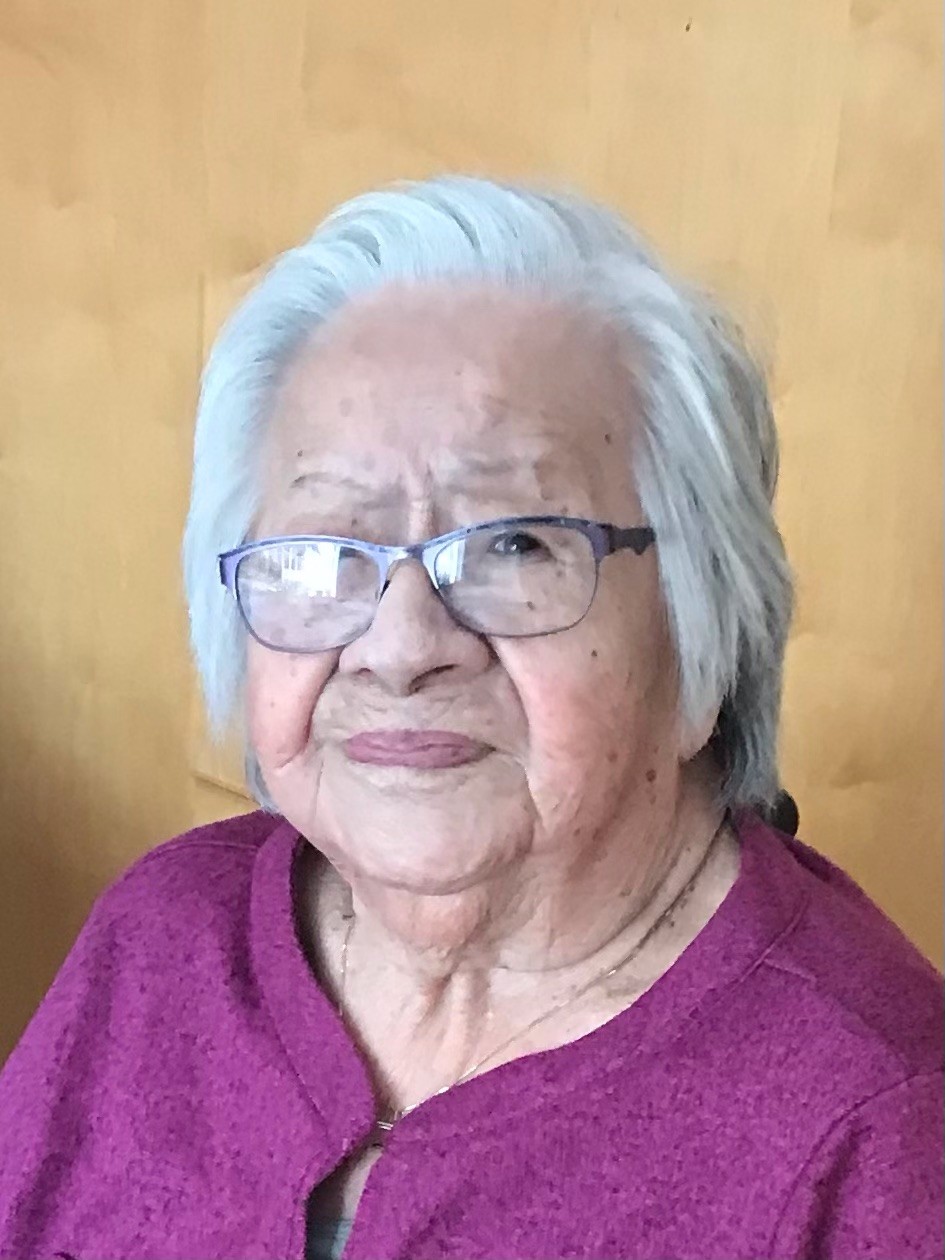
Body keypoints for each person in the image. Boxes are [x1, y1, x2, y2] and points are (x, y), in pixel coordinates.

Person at [0, 176, 940, 1260]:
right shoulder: (167, 942)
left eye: (515, 545)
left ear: (702, 630)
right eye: (322, 551)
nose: (401, 648)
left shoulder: (881, 1133)